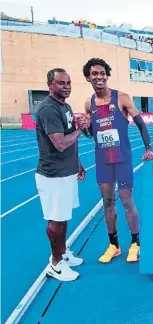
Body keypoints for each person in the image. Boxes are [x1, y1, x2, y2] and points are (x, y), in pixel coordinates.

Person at [81, 58, 153, 264]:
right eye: (94, 73)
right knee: (107, 202)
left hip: (122, 159)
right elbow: (90, 133)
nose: (99, 77)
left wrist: (148, 148)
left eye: (102, 73)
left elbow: (140, 123)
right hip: (103, 160)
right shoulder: (89, 103)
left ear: (107, 75)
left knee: (126, 202)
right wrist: (86, 127)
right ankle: (114, 245)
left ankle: (135, 243)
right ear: (88, 77)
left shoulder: (121, 98)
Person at [35, 68, 90, 282]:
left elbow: (68, 140)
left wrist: (78, 163)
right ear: (50, 85)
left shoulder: (65, 106)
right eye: (61, 83)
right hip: (53, 175)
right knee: (55, 220)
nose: (66, 86)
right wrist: (81, 130)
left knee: (64, 216)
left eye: (68, 83)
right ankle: (55, 263)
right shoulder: (48, 109)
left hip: (66, 172)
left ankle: (64, 253)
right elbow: (60, 144)